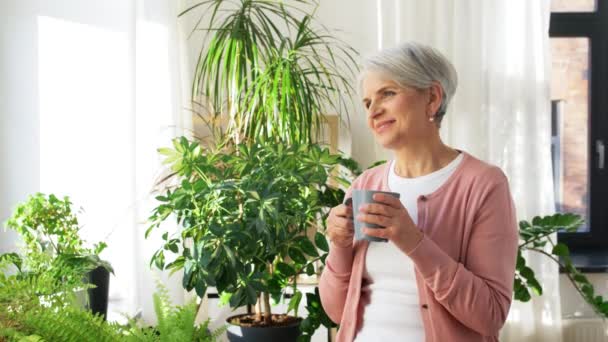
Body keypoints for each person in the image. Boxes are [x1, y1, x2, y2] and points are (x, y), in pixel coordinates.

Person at [319, 42, 518, 342]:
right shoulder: (364, 186)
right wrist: (339, 245)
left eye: (387, 93)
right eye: (367, 102)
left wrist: (413, 241)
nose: (373, 111)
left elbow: (489, 316)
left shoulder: (483, 185)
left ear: (432, 98)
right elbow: (337, 312)